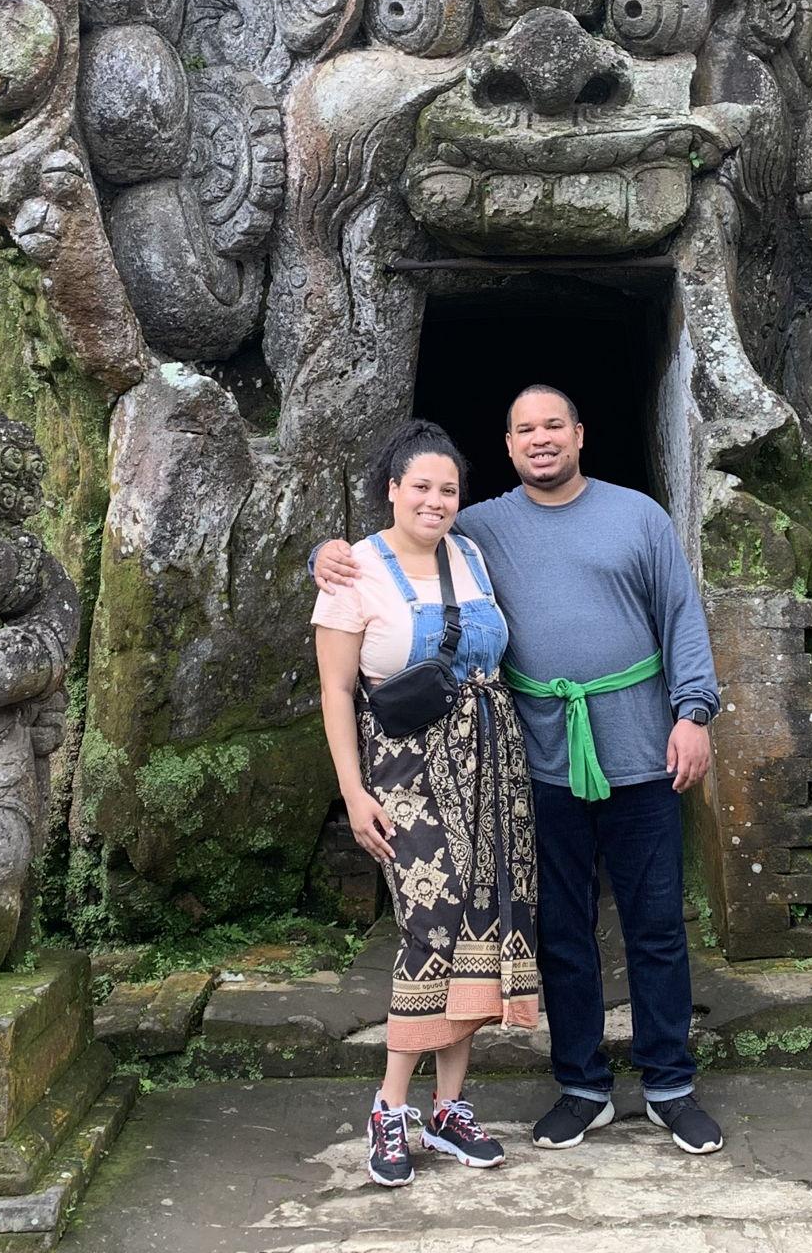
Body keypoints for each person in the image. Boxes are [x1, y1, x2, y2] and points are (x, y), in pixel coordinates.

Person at [313, 385, 725, 1156]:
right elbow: (400, 541)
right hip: (536, 762)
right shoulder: (481, 527)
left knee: (657, 927)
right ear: (506, 448)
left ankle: (670, 1084)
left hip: (641, 751)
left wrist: (694, 713)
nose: (540, 440)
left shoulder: (639, 515)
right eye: (524, 430)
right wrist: (325, 554)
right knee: (561, 928)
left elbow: (681, 615)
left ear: (579, 433)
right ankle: (582, 1085)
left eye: (553, 427)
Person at [312, 419, 540, 1189]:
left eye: (448, 489)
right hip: (405, 772)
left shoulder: (470, 554)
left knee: (484, 919)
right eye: (422, 487)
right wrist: (353, 792)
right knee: (430, 923)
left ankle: (448, 1109)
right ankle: (389, 1106)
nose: (436, 501)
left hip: (491, 762)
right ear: (392, 490)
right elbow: (337, 691)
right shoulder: (353, 571)